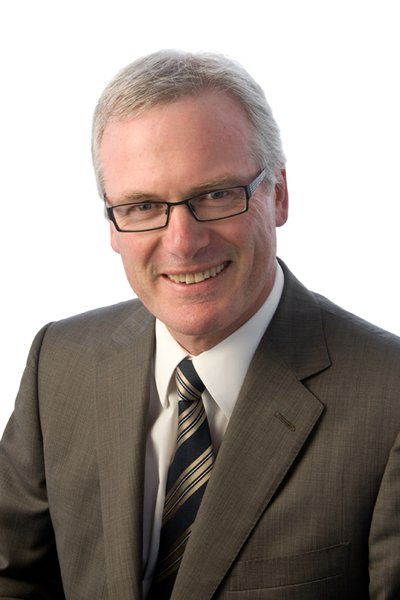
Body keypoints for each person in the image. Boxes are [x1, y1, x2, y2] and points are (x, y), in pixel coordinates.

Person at [0, 49, 400, 600]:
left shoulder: (389, 400)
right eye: (143, 206)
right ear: (112, 224)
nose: (183, 243)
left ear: (278, 195)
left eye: (215, 195)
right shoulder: (58, 365)